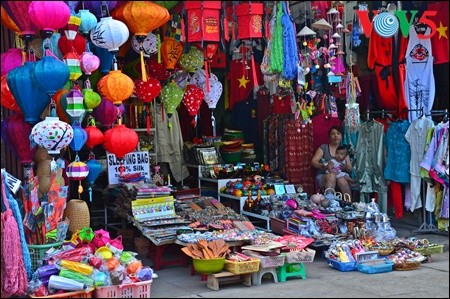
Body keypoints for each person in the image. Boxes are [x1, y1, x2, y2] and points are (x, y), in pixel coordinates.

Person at [311, 125, 353, 197]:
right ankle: (329, 202)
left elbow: (349, 167)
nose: (335, 136)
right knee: (331, 176)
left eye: (338, 133)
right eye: (333, 134)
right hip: (324, 176)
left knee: (342, 180)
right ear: (329, 137)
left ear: (342, 136)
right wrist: (323, 166)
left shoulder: (344, 150)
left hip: (339, 174)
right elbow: (313, 162)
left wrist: (345, 167)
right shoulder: (323, 147)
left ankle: (348, 203)